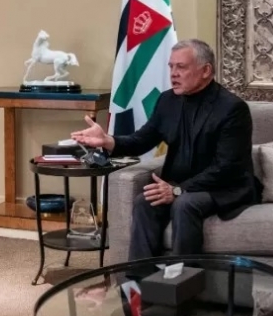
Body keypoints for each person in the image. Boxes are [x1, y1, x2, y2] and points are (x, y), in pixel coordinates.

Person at [72, 40, 258, 260]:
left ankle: (182, 277)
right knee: (144, 201)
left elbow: (225, 168)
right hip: (179, 184)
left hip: (223, 188)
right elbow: (141, 140)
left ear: (206, 70)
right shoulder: (168, 100)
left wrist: (178, 190)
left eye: (181, 67)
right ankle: (139, 277)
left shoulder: (232, 108)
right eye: (171, 66)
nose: (173, 73)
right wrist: (107, 141)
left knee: (185, 204)